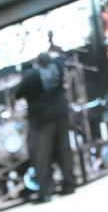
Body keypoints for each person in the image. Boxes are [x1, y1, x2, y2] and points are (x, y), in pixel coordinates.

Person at [14, 51, 76, 202]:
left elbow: (18, 93)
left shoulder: (31, 77)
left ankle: (45, 193)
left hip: (42, 121)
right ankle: (69, 185)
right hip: (61, 115)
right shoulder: (57, 67)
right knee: (64, 152)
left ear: (37, 63)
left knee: (42, 157)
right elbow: (60, 59)